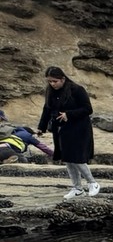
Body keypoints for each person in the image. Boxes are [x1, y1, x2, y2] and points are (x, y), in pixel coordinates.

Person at [36, 66, 100, 198]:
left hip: (79, 128)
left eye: (55, 81)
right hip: (60, 129)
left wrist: (69, 114)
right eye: (50, 81)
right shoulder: (50, 91)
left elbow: (88, 109)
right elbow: (47, 109)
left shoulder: (76, 89)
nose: (52, 84)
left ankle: (92, 183)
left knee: (76, 157)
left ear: (63, 79)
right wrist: (41, 127)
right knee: (67, 159)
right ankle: (77, 188)